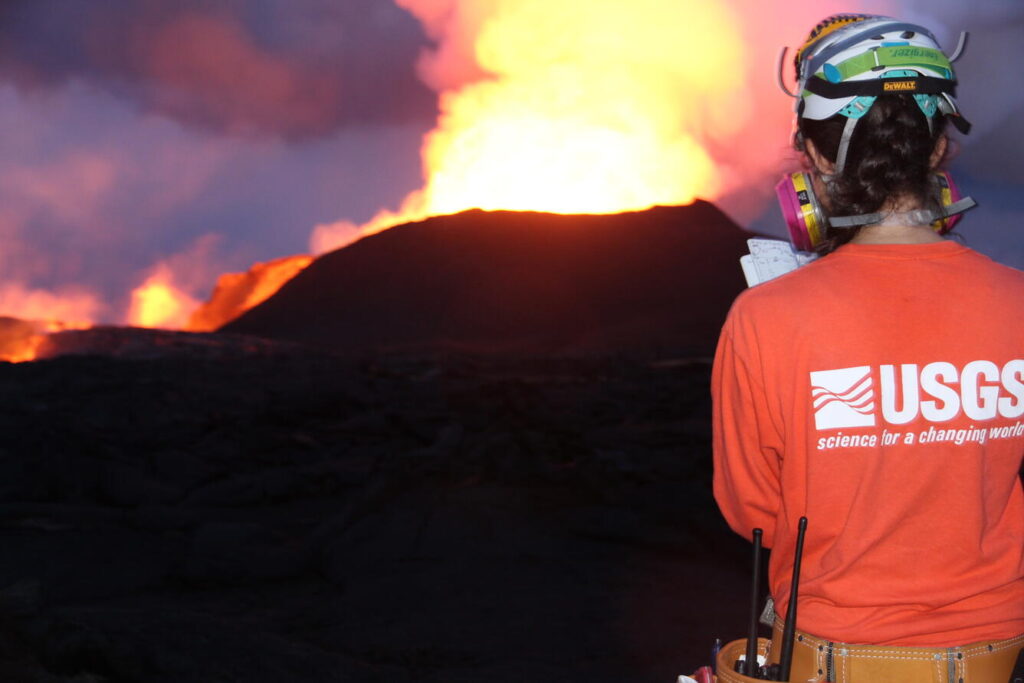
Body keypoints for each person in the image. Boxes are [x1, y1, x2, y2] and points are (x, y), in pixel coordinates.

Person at [712, 13, 1024, 682]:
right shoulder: (1017, 302)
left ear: (816, 155)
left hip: (831, 655)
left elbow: (753, 512)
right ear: (939, 149)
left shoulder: (763, 318)